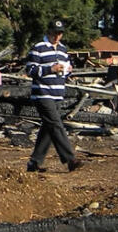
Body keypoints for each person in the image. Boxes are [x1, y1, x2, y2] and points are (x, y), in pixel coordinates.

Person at [24, 18, 82, 172]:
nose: (57, 37)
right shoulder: (38, 48)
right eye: (54, 33)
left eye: (60, 33)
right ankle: (70, 159)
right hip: (43, 94)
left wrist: (68, 71)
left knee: (48, 128)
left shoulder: (63, 50)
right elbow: (30, 70)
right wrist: (50, 69)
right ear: (48, 32)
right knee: (56, 124)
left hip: (57, 93)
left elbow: (64, 69)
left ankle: (34, 162)